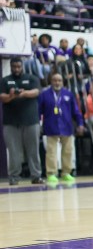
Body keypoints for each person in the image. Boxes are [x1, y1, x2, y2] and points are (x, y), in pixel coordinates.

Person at [0, 57, 44, 185]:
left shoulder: (31, 78)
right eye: (14, 67)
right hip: (11, 122)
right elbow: (2, 97)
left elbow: (36, 92)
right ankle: (14, 176)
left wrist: (24, 93)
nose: (16, 69)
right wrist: (10, 96)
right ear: (11, 66)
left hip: (31, 121)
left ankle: (36, 176)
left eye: (19, 67)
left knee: (33, 150)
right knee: (13, 151)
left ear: (22, 66)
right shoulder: (5, 80)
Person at [39, 72, 85, 183]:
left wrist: (80, 124)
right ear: (51, 81)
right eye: (55, 80)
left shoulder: (68, 94)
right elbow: (38, 111)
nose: (57, 82)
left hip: (67, 126)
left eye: (59, 80)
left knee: (68, 151)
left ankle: (66, 172)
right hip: (51, 126)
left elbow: (76, 111)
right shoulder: (44, 94)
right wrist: (38, 125)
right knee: (51, 152)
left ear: (63, 82)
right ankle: (51, 174)